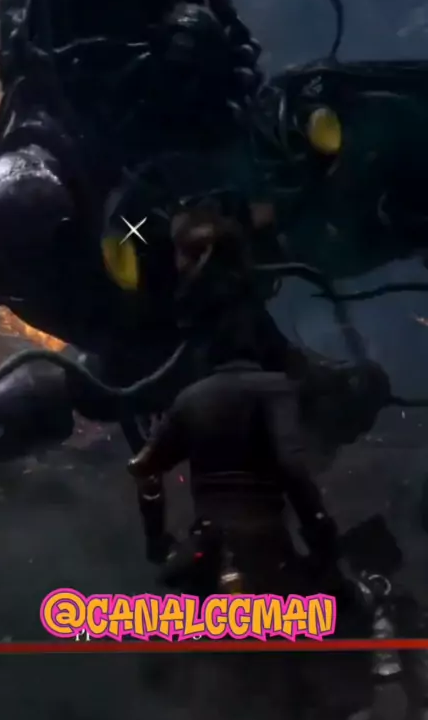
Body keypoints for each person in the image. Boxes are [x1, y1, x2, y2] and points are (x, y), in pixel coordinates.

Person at [128, 201, 342, 595]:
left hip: (208, 547)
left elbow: (144, 469)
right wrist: (321, 533)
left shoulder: (191, 397)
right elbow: (292, 467)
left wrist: (156, 537)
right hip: (266, 543)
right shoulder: (271, 388)